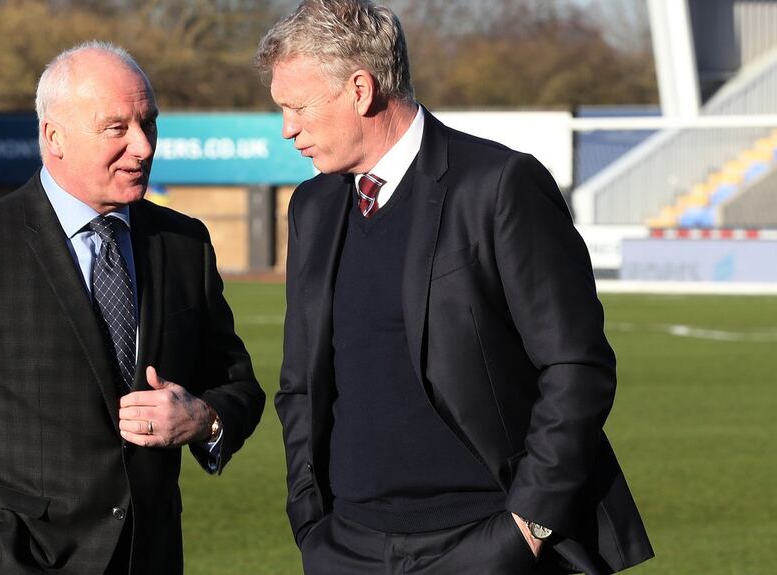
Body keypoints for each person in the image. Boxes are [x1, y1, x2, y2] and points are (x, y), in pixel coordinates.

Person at [256, 1, 653, 574]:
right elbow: (300, 384)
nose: (288, 128)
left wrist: (528, 526)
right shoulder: (312, 208)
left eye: (297, 107)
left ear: (360, 90)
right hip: (344, 546)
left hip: (483, 543)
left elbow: (576, 365)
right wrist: (310, 519)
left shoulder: (498, 185)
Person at [0, 41, 265, 575]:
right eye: (116, 128)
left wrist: (205, 419)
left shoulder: (184, 244)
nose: (142, 146)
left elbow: (237, 385)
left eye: (148, 124)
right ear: (53, 136)